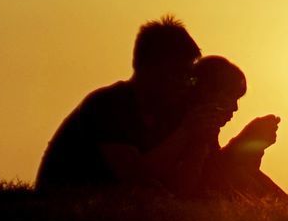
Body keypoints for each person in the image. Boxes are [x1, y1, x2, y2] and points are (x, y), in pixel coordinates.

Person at [35, 15, 217, 194]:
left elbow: (180, 189)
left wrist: (199, 144)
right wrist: (186, 132)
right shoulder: (108, 105)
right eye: (178, 74)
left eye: (188, 77)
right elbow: (135, 178)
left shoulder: (168, 114)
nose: (184, 84)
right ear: (149, 68)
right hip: (68, 208)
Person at [189, 55, 288, 203]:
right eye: (230, 97)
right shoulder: (193, 126)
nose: (235, 108)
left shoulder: (208, 130)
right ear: (207, 92)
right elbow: (214, 176)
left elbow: (218, 165)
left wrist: (253, 146)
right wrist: (244, 143)